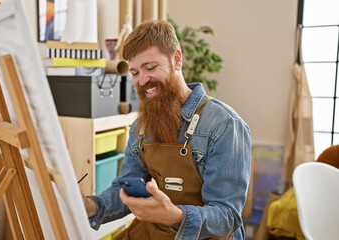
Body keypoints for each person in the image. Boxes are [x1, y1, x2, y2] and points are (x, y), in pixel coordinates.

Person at [82, 20, 251, 239]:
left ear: (177, 60)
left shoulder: (225, 125)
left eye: (150, 68)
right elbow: (124, 190)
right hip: (154, 231)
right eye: (134, 73)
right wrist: (90, 206)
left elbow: (227, 216)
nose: (142, 80)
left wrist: (175, 216)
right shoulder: (141, 126)